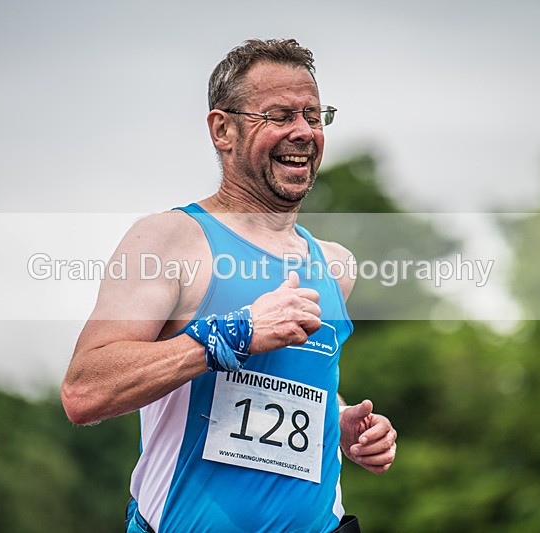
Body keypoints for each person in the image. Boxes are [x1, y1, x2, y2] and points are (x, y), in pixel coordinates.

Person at [61, 38, 397, 533]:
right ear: (223, 129)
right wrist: (233, 334)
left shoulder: (335, 264)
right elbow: (85, 391)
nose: (303, 132)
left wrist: (338, 420)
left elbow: (287, 383)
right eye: (280, 116)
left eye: (313, 115)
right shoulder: (171, 240)